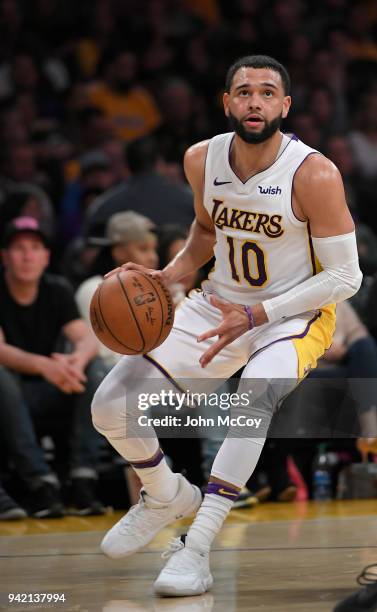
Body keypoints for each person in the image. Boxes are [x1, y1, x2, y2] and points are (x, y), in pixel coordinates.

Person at [91, 55, 362, 597]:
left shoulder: (314, 173)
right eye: (243, 92)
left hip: (293, 314)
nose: (254, 102)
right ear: (226, 102)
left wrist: (259, 314)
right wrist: (167, 276)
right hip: (219, 303)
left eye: (266, 93)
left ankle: (198, 547)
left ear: (285, 106)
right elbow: (205, 229)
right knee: (108, 405)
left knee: (252, 402)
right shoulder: (201, 158)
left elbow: (345, 275)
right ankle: (166, 493)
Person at [0, 216, 107, 516]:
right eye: (19, 248)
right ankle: (39, 482)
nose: (27, 255)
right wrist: (45, 366)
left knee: (95, 368)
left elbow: (86, 338)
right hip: (13, 395)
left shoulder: (57, 289)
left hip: (56, 388)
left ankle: (83, 477)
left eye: (35, 247)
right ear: (4, 256)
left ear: (46, 256)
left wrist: (75, 361)